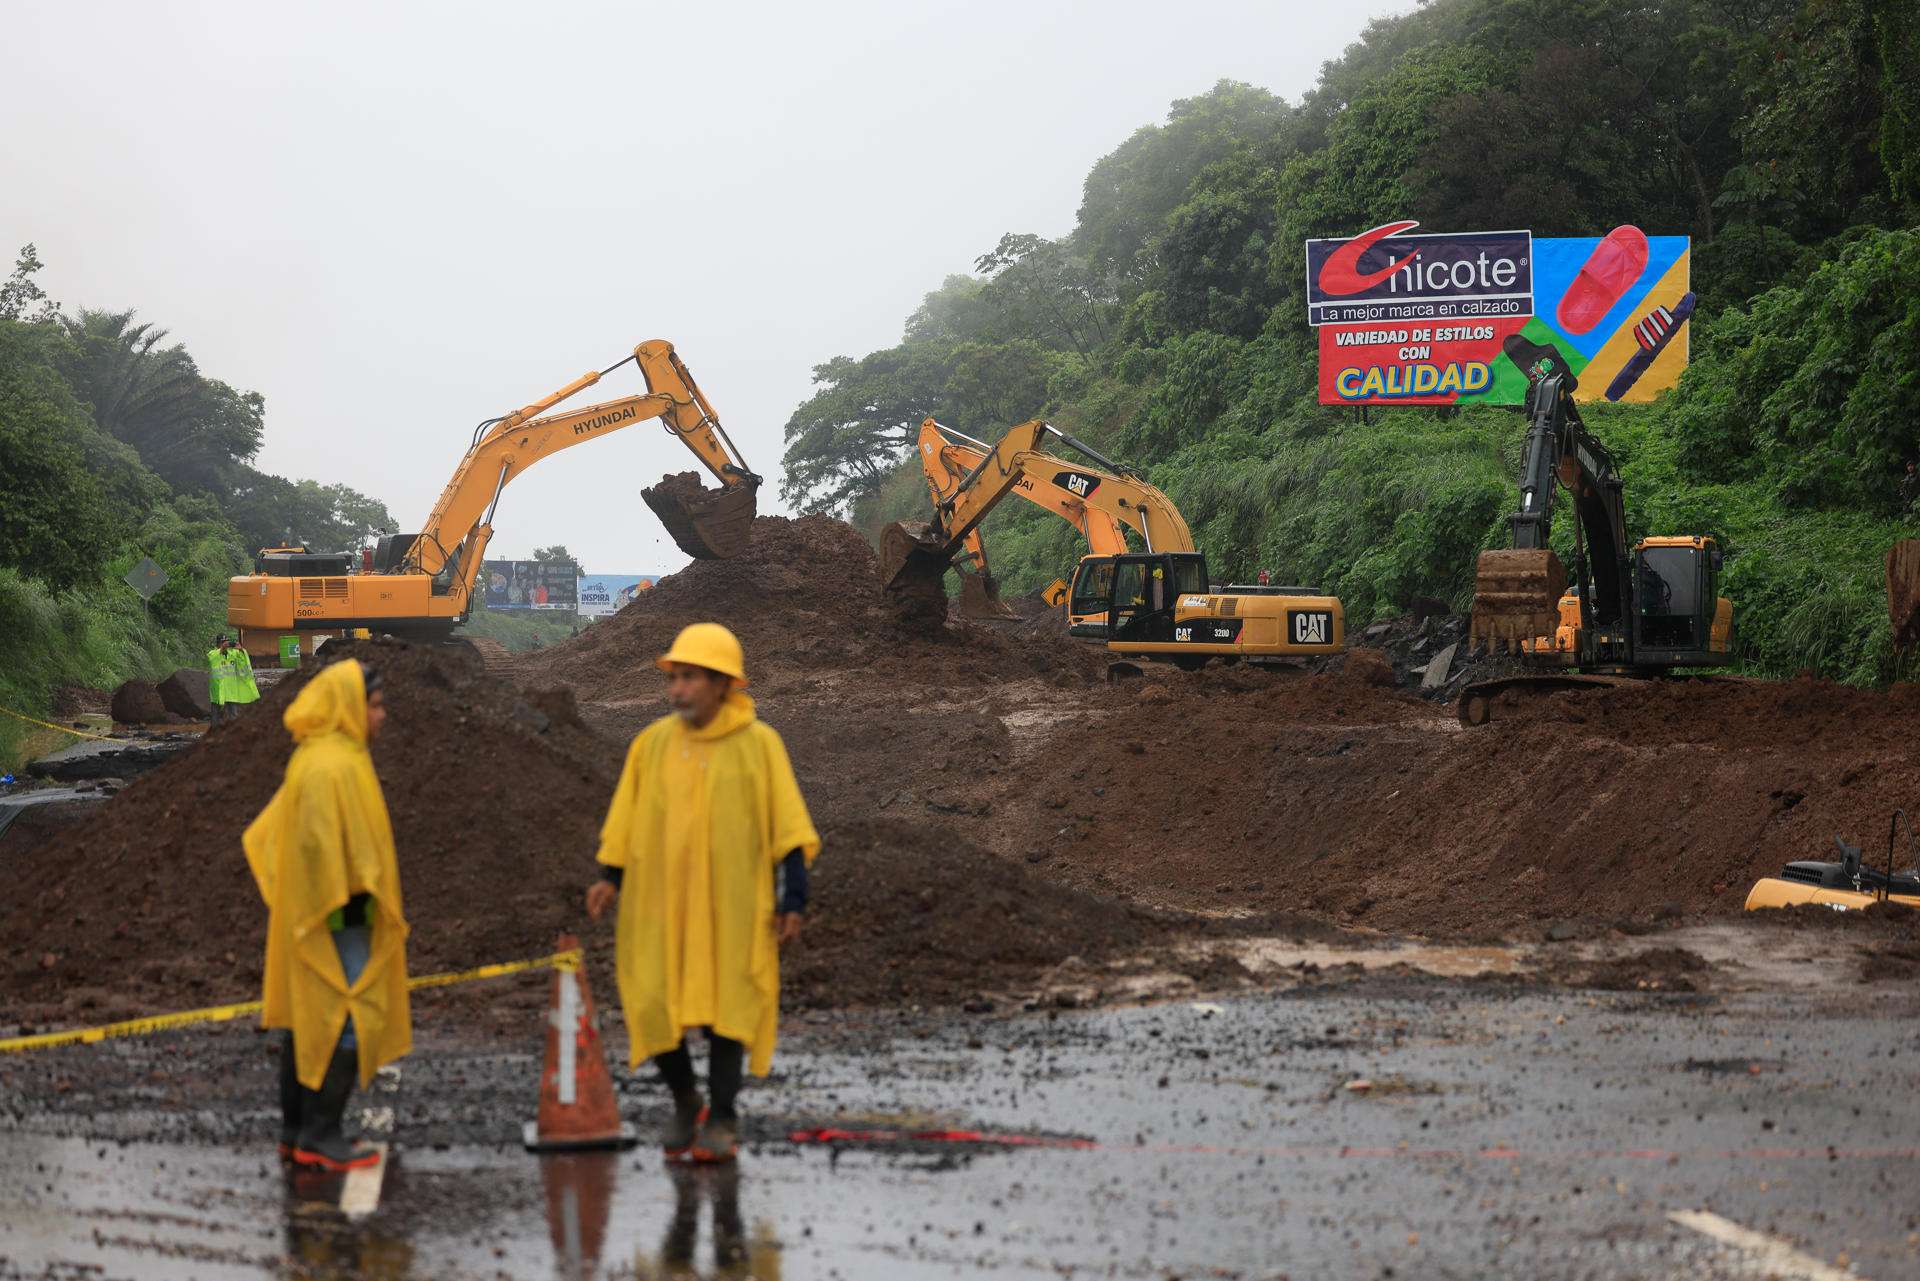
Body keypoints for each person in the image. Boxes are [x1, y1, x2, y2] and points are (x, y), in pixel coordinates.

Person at [586, 623, 819, 1164]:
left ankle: (722, 1116)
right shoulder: (653, 744)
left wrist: (793, 901)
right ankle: (685, 1098)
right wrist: (607, 877)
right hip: (659, 908)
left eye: (689, 678)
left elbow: (786, 827)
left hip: (733, 909)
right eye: (675, 678)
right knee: (651, 1002)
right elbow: (625, 817)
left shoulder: (759, 745)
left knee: (726, 1012)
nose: (677, 690)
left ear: (722, 683)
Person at [243, 660, 410, 1171]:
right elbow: (316, 845)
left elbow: (273, 835)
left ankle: (297, 1132)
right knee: (350, 1018)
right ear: (349, 706)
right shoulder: (331, 764)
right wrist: (350, 900)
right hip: (336, 920)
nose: (382, 716)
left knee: (307, 1019)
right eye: (375, 705)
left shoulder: (321, 756)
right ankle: (321, 1134)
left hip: (321, 916)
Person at [207, 634, 260, 725]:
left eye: (226, 642)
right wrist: (222, 649)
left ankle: (233, 731)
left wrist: (240, 650)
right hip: (218, 689)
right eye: (223, 643)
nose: (226, 645)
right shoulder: (213, 653)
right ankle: (214, 731)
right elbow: (213, 659)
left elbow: (242, 662)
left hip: (231, 689)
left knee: (233, 713)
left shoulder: (233, 653)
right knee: (216, 712)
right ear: (218, 644)